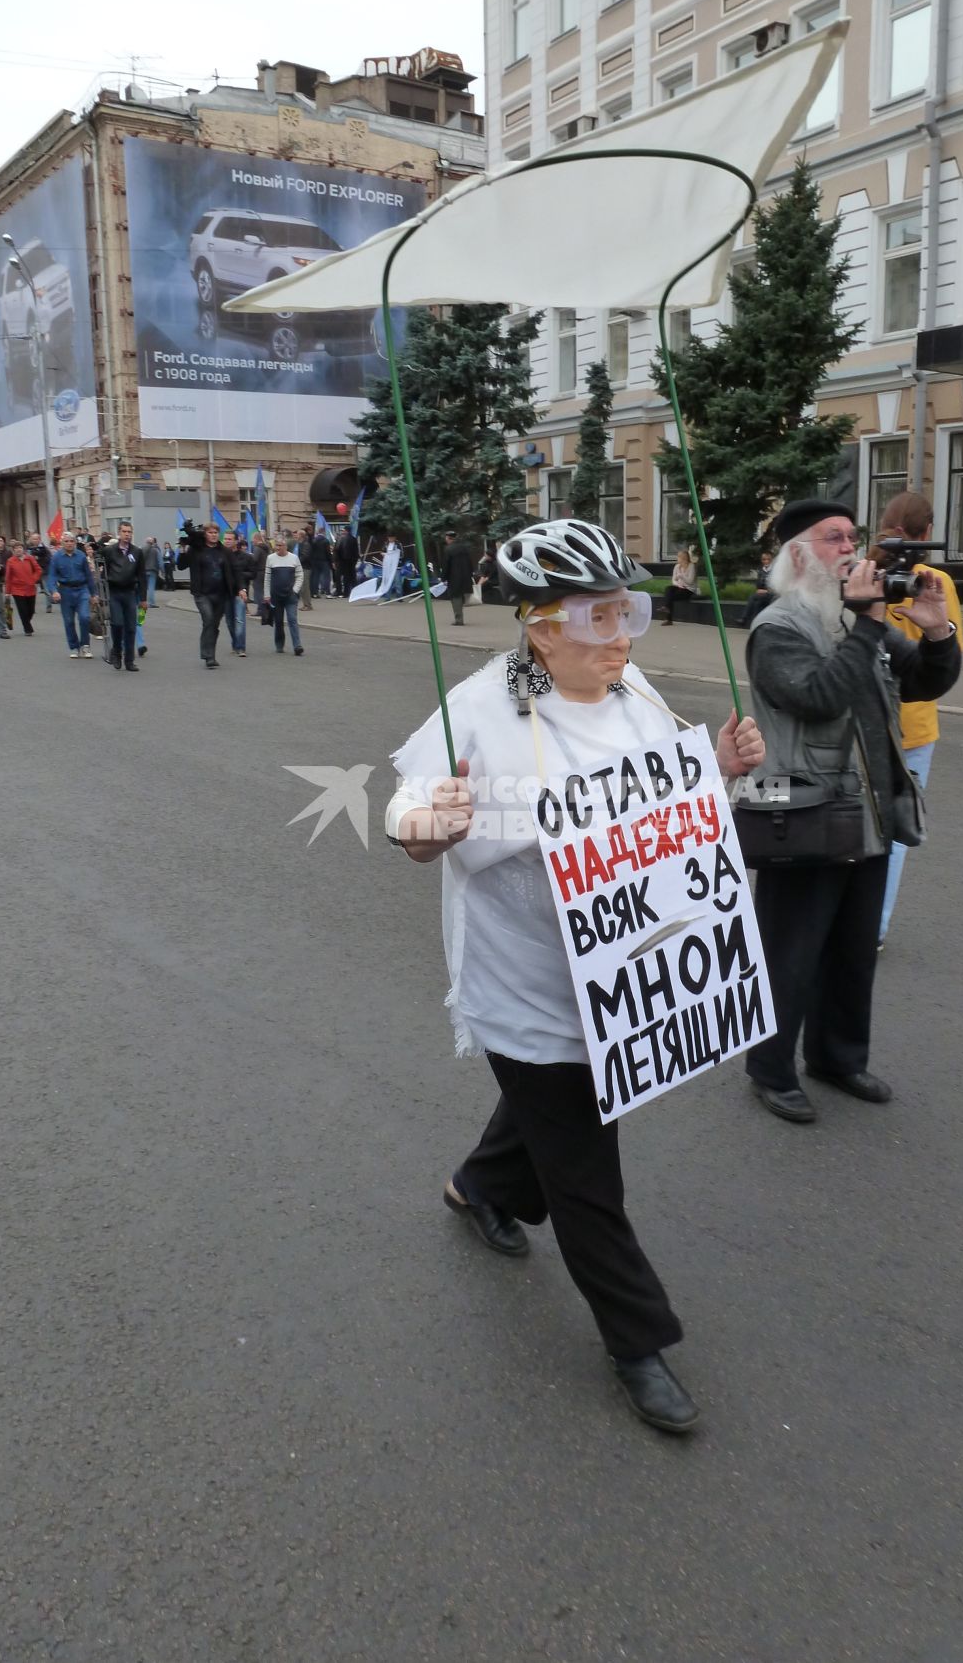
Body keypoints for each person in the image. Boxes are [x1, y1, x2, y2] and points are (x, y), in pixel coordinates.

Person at [386, 518, 766, 1435]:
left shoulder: (631, 687)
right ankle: (638, 1339)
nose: (624, 634)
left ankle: (479, 1183)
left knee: (559, 1112)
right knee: (587, 1169)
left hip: (619, 973)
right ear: (541, 626)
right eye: (601, 617)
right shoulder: (479, 707)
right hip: (526, 983)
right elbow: (406, 807)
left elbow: (664, 803)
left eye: (627, 609)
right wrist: (427, 821)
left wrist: (717, 768)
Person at [742, 498, 962, 1124]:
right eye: (833, 538)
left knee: (852, 948)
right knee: (791, 951)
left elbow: (922, 680)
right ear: (799, 554)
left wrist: (936, 628)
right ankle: (771, 1068)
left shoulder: (855, 618)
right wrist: (868, 624)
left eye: (851, 537)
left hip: (866, 810)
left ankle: (837, 1057)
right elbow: (815, 696)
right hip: (806, 812)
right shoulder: (779, 625)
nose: (850, 547)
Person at [874, 491, 963, 948]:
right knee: (896, 835)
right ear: (927, 534)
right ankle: (876, 927)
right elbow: (950, 655)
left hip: (869, 725)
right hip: (915, 730)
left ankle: (855, 920)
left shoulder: (867, 575)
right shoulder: (937, 582)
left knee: (860, 826)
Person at [178, 521, 244, 669]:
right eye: (210, 532)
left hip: (221, 594)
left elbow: (236, 569)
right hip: (202, 593)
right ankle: (208, 655)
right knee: (208, 620)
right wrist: (182, 549)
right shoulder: (197, 549)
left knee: (213, 625)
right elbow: (181, 566)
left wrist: (241, 588)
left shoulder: (224, 551)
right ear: (205, 534)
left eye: (215, 533)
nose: (213, 535)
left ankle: (210, 655)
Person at [98, 521, 148, 670]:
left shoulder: (137, 552)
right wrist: (101, 594)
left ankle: (129, 661)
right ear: (119, 533)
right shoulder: (110, 551)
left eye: (129, 532)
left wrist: (144, 598)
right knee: (117, 624)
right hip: (114, 592)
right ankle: (117, 652)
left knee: (131, 627)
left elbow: (142, 576)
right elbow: (102, 569)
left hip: (130, 592)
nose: (127, 534)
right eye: (124, 532)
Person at [48, 532, 97, 658]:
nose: (69, 543)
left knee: (84, 617)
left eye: (72, 541)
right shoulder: (57, 557)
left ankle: (85, 645)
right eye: (67, 541)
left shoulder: (81, 556)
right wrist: (54, 591)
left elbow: (88, 576)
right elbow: (52, 576)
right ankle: (74, 646)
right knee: (69, 621)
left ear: (75, 543)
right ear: (62, 543)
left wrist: (93, 594)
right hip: (65, 591)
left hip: (82, 590)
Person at [264, 532, 305, 655]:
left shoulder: (294, 558)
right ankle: (279, 644)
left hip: (290, 595)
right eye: (276, 545)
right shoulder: (270, 558)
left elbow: (300, 575)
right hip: (276, 595)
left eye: (280, 545)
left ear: (286, 546)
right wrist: (266, 594)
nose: (278, 548)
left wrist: (295, 590)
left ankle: (297, 646)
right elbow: (267, 578)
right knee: (278, 621)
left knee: (292, 619)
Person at [223, 531, 255, 657]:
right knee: (230, 621)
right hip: (226, 592)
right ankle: (235, 643)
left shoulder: (246, 557)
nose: (227, 541)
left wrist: (239, 575)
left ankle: (241, 647)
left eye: (230, 539)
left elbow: (253, 573)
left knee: (240, 620)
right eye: (225, 539)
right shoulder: (221, 555)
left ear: (236, 541)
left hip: (240, 592)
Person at [3, 537, 44, 636]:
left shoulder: (30, 558)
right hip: (17, 590)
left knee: (31, 610)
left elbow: (38, 570)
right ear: (13, 550)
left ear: (23, 549)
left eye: (20, 548)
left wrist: (33, 579)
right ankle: (27, 629)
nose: (18, 550)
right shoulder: (11, 561)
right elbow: (8, 577)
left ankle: (27, 622)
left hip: (30, 588)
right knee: (23, 610)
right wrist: (7, 593)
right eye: (16, 548)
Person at [441, 529, 473, 626]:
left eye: (446, 538)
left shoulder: (448, 549)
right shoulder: (464, 548)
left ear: (448, 538)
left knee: (456, 598)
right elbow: (470, 562)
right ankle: (460, 615)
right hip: (466, 576)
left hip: (454, 578)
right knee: (462, 595)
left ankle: (459, 619)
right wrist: (471, 573)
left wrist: (443, 578)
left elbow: (446, 565)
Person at [661, 548, 698, 624]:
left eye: (678, 557)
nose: (677, 558)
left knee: (670, 597)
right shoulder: (677, 566)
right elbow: (673, 580)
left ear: (684, 558)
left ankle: (668, 618)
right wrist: (677, 584)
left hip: (689, 589)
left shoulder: (691, 566)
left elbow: (690, 581)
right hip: (679, 587)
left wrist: (681, 576)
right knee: (668, 589)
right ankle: (666, 609)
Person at [333, 524, 359, 598]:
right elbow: (356, 551)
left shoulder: (340, 539)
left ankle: (338, 591)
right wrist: (355, 561)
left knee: (338, 576)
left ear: (345, 530)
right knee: (348, 577)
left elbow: (336, 550)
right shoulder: (353, 539)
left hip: (340, 561)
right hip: (350, 561)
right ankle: (347, 592)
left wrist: (335, 561)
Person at [294, 526, 315, 611]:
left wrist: (297, 562)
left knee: (305, 588)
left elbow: (305, 556)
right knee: (302, 588)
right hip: (301, 567)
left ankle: (308, 605)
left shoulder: (306, 544)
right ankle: (305, 604)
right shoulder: (300, 544)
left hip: (305, 568)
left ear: (301, 536)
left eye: (297, 535)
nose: (296, 536)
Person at [310, 528, 333, 600]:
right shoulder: (326, 541)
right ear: (323, 532)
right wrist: (331, 561)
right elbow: (328, 552)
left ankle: (315, 593)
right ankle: (327, 593)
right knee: (326, 577)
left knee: (315, 577)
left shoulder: (314, 540)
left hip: (315, 561)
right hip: (324, 560)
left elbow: (311, 551)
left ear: (318, 532)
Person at [142, 536, 161, 608]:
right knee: (151, 587)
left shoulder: (142, 549)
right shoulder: (156, 550)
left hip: (144, 570)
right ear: (152, 542)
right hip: (153, 570)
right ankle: (151, 603)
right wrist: (162, 570)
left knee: (144, 587)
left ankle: (142, 601)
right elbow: (160, 561)